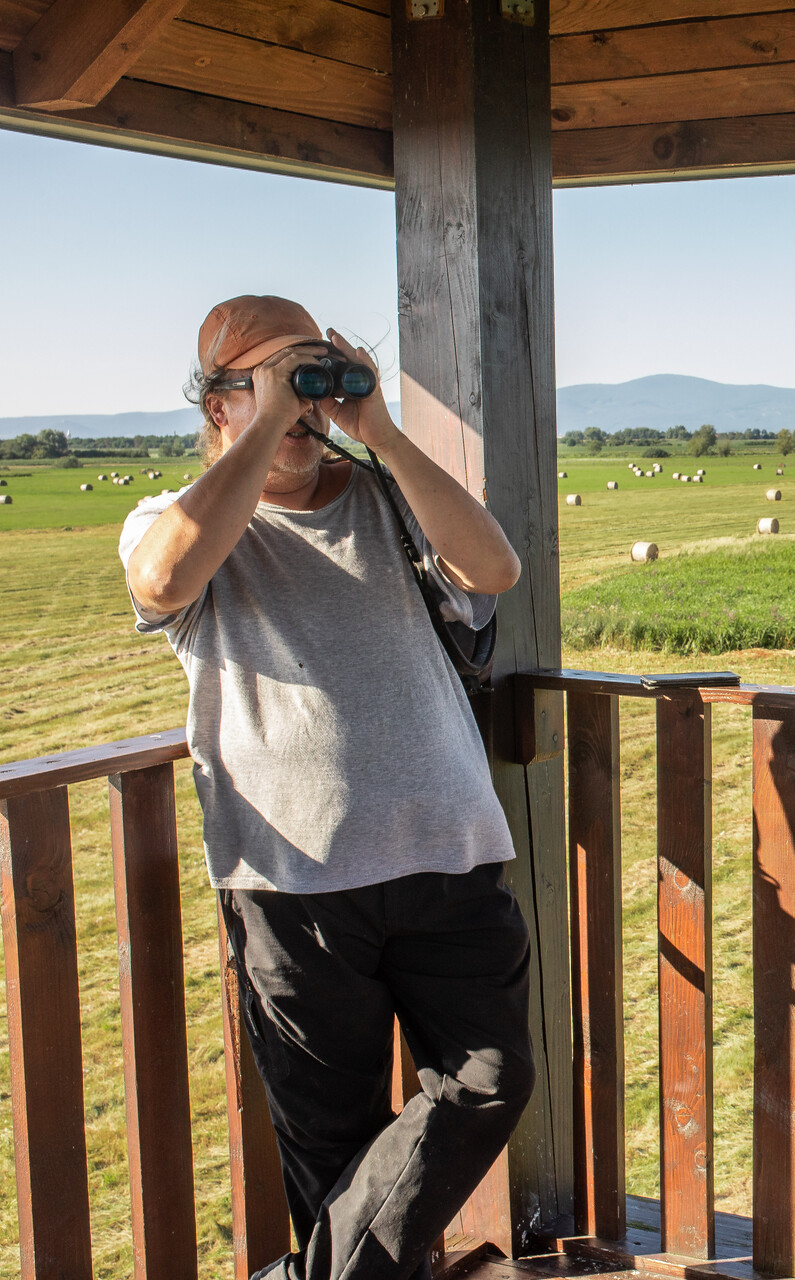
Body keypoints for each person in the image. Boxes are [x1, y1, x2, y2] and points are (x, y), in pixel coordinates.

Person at [120, 295, 532, 1280]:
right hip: (291, 879)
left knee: (490, 1079)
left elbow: (494, 568)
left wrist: (377, 427)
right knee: (332, 1147)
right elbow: (163, 582)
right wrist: (268, 424)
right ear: (217, 402)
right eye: (276, 380)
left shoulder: (388, 497)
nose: (307, 403)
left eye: (315, 374)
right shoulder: (179, 520)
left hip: (448, 853)